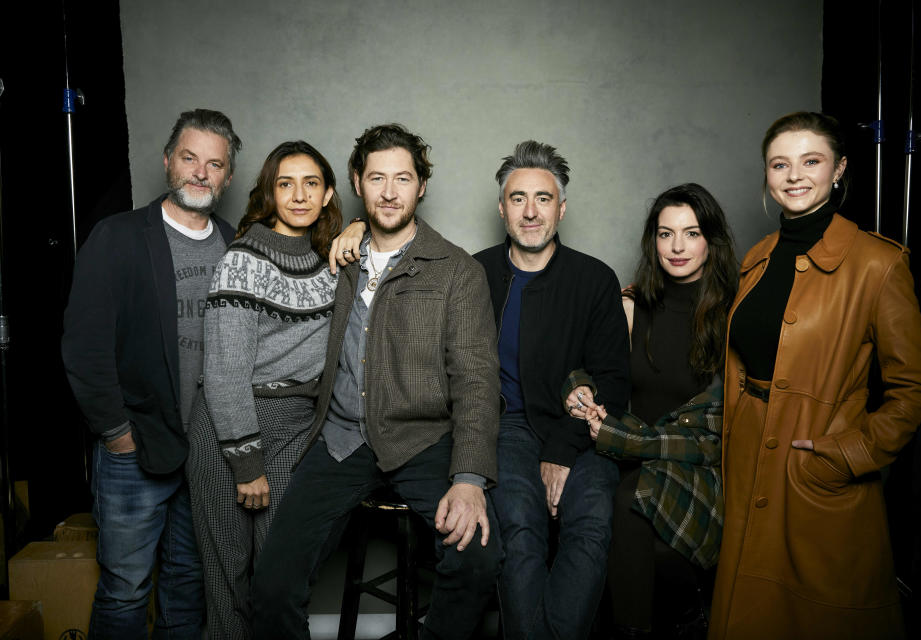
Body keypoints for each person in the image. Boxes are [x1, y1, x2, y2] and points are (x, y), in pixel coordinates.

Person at [250, 124, 502, 640]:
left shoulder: (458, 271)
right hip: (341, 440)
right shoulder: (336, 257)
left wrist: (470, 479)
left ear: (422, 186)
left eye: (403, 178)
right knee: (272, 585)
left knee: (478, 559)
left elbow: (477, 381)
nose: (390, 191)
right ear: (357, 184)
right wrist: (355, 230)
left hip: (424, 440)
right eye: (377, 178)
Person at [708, 112, 921, 640]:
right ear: (766, 176)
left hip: (815, 464)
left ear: (838, 169)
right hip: (747, 459)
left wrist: (849, 455)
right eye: (779, 164)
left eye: (810, 161)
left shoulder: (878, 264)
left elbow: (919, 389)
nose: (794, 175)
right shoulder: (757, 257)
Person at [62, 108, 241, 639]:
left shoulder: (237, 244)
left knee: (188, 585)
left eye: (214, 164)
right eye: (190, 158)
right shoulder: (117, 237)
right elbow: (84, 345)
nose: (200, 173)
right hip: (136, 450)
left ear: (228, 177)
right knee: (126, 588)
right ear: (168, 161)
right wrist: (116, 434)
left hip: (206, 454)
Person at [186, 141, 364, 638]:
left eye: (311, 184)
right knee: (226, 584)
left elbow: (395, 225)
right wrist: (247, 463)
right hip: (230, 429)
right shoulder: (244, 259)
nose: (299, 195)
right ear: (270, 192)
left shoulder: (335, 260)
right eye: (285, 184)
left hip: (295, 430)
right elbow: (223, 370)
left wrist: (360, 225)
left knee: (278, 579)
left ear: (329, 193)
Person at [473, 140, 631, 639]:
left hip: (584, 429)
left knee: (591, 524)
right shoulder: (473, 274)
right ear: (502, 208)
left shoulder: (594, 279)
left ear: (561, 209)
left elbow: (613, 380)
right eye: (518, 198)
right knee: (520, 529)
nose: (531, 211)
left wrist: (563, 450)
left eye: (543, 198)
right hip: (509, 427)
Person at [571, 183, 738, 639]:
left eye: (691, 233)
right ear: (653, 241)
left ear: (712, 240)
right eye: (666, 234)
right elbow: (586, 369)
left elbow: (723, 423)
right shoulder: (630, 306)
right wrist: (580, 389)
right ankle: (664, 624)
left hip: (701, 462)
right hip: (635, 457)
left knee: (630, 509)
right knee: (615, 515)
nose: (678, 247)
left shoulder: (735, 312)